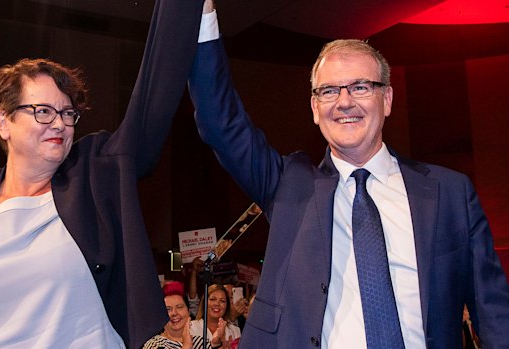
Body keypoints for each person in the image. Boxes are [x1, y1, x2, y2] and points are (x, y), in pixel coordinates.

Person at [187, 6, 509, 348]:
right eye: (329, 91)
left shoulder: (450, 193)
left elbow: (494, 315)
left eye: (359, 87)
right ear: (314, 108)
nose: (344, 102)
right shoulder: (288, 185)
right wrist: (201, 14)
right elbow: (221, 123)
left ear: (386, 99)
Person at [0, 1, 209, 348]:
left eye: (68, 113)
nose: (59, 122)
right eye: (42, 110)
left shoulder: (95, 177)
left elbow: (152, 102)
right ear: (3, 121)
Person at [143, 281, 225, 349]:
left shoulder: (201, 342)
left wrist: (216, 344)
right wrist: (186, 346)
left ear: (188, 311)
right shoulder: (154, 345)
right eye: (168, 309)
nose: (174, 313)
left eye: (179, 307)